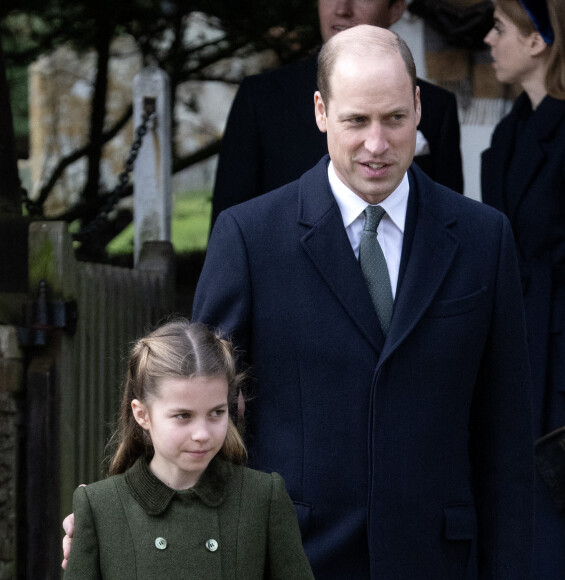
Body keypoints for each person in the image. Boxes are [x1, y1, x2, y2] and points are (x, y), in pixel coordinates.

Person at [192, 24, 533, 579]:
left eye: (395, 118)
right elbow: (197, 413)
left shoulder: (483, 239)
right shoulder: (250, 238)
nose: (377, 144)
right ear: (322, 111)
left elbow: (505, 437)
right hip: (294, 557)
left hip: (440, 559)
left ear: (419, 107)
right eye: (356, 121)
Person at [62, 319, 314, 579]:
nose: (202, 434)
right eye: (183, 416)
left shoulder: (262, 498)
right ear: (142, 414)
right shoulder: (100, 506)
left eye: (217, 412)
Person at [210, 0, 464, 229]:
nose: (342, 9)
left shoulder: (436, 106)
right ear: (320, 109)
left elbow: (450, 223)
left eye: (395, 117)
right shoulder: (261, 97)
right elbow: (229, 223)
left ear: (396, 8)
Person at [481, 0, 565, 577]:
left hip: (561, 364)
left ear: (538, 40)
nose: (489, 40)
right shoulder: (511, 130)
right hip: (518, 349)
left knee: (557, 523)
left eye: (500, 28)